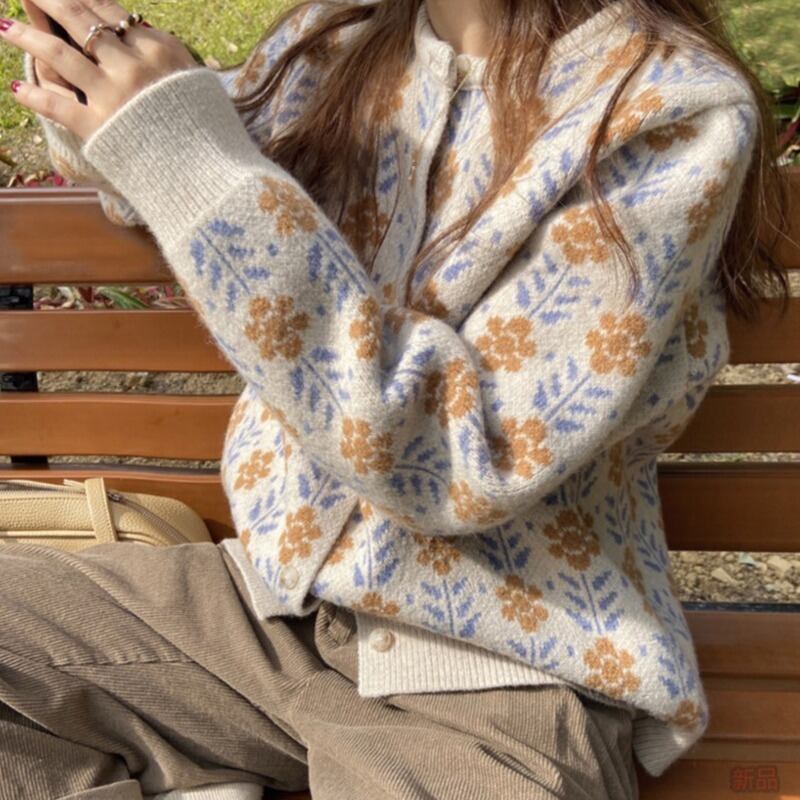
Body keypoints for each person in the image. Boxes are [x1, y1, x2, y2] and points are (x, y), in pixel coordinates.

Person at [0, 0, 790, 798]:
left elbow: (457, 461)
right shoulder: (339, 37)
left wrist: (184, 151)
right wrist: (92, 71)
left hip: (497, 673)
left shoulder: (667, 111)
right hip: (269, 619)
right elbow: (163, 171)